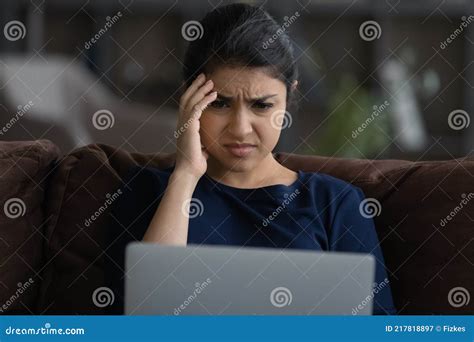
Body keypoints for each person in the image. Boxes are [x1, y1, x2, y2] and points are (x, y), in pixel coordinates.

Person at [108, 2, 396, 315]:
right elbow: (145, 320)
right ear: (189, 101)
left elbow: (377, 329)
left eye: (262, 106)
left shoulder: (335, 203)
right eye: (219, 104)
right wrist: (186, 174)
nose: (241, 129)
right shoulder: (146, 192)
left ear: (289, 98)